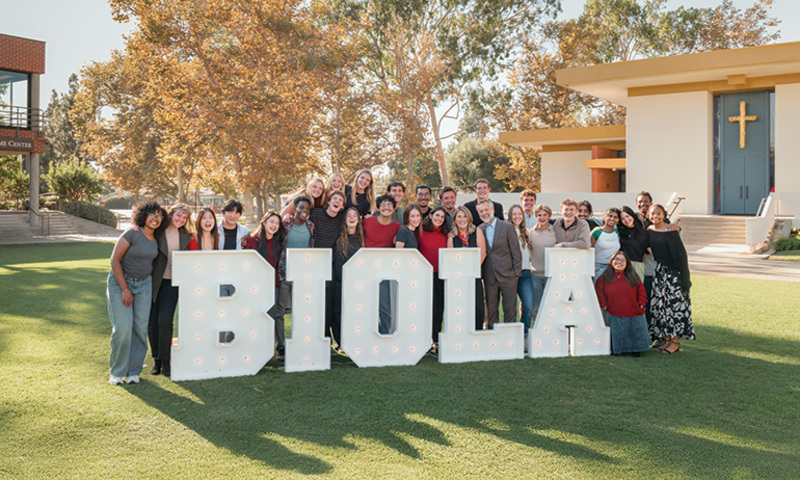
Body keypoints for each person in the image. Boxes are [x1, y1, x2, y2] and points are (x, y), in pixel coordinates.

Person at [106, 201, 165, 385]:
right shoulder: (132, 233)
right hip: (121, 283)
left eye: (159, 216)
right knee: (123, 328)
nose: (155, 219)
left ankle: (133, 371)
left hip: (144, 285)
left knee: (140, 329)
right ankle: (117, 372)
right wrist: (125, 289)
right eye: (152, 215)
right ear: (143, 216)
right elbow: (115, 261)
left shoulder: (158, 238)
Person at [148, 203, 196, 377]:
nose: (181, 220)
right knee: (152, 322)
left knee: (165, 320)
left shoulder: (186, 236)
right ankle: (157, 360)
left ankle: (166, 360)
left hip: (172, 282)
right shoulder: (157, 231)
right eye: (179, 215)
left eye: (185, 217)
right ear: (171, 214)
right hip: (153, 281)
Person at [647, 204, 694, 354]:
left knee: (674, 308)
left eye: (658, 213)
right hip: (660, 272)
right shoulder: (649, 230)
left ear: (664, 215)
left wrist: (686, 280)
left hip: (674, 274)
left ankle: (675, 342)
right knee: (661, 308)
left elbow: (682, 256)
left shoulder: (671, 232)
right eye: (652, 213)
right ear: (648, 215)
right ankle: (666, 340)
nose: (655, 216)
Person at [273, 196, 315, 360]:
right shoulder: (285, 224)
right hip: (284, 273)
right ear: (295, 209)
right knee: (280, 312)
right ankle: (281, 347)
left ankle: (302, 343)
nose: (304, 211)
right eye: (301, 208)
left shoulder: (310, 226)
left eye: (307, 209)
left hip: (302, 275)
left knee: (303, 310)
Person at [242, 211, 286, 358]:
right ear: (264, 222)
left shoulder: (278, 242)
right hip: (256, 286)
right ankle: (257, 347)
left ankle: (280, 347)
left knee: (275, 315)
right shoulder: (251, 241)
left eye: (277, 223)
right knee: (257, 316)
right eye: (271, 222)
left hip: (274, 283)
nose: (274, 225)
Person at [595, 251, 650, 357]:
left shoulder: (634, 277)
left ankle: (636, 349)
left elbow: (641, 291)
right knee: (617, 331)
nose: (619, 262)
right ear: (611, 261)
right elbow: (599, 292)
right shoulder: (603, 278)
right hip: (614, 310)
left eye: (622, 260)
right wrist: (604, 304)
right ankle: (617, 349)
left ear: (627, 263)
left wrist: (641, 303)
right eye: (616, 259)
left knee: (634, 330)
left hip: (633, 309)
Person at [477, 199, 522, 328]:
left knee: (509, 311)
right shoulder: (479, 229)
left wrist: (516, 273)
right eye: (481, 211)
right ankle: (493, 340)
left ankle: (510, 340)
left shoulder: (507, 227)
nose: (484, 213)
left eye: (486, 210)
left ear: (492, 210)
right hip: (489, 276)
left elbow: (516, 251)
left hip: (508, 276)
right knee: (491, 311)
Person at [363, 194, 401, 334]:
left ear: (394, 208)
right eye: (383, 205)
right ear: (378, 208)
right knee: (365, 306)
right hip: (366, 269)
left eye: (389, 205)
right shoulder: (366, 222)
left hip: (386, 271)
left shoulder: (398, 227)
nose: (386, 208)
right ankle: (366, 336)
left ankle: (384, 335)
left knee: (385, 307)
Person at [447, 206, 487, 330]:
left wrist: (472, 271)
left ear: (469, 218)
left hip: (474, 275)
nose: (462, 219)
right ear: (455, 219)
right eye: (459, 216)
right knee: (461, 307)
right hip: (459, 278)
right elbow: (450, 257)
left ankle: (478, 334)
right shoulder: (452, 236)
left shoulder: (477, 231)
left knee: (478, 308)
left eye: (464, 216)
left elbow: (483, 253)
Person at [331, 208, 364, 351]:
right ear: (344, 219)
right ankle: (341, 342)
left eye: (354, 215)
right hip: (339, 282)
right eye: (348, 215)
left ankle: (354, 340)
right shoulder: (338, 238)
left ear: (358, 219)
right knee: (338, 313)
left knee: (354, 313)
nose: (351, 218)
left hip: (356, 284)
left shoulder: (361, 239)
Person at [418, 207, 449, 350]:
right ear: (430, 216)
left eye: (442, 217)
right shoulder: (420, 231)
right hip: (424, 275)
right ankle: (423, 339)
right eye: (437, 215)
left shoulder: (446, 234)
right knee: (427, 308)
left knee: (439, 308)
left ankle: (435, 339)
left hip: (441, 275)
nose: (439, 219)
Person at [508, 204, 534, 336]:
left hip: (526, 273)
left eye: (519, 214)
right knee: (511, 308)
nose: (517, 216)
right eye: (514, 214)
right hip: (511, 274)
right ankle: (512, 335)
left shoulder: (527, 233)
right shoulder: (507, 231)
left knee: (528, 306)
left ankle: (524, 334)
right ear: (510, 216)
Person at [530, 204, 557, 323]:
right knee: (536, 307)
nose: (542, 217)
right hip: (535, 275)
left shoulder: (555, 232)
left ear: (549, 216)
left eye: (544, 215)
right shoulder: (530, 232)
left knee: (551, 307)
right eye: (539, 215)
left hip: (551, 275)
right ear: (536, 216)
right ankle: (536, 332)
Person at [618, 206, 649, 281]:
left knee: (637, 291)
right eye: (623, 218)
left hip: (638, 266)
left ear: (632, 215)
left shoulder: (643, 231)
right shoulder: (619, 231)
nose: (626, 220)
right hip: (622, 265)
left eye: (627, 216)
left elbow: (648, 248)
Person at [591, 208, 621, 280]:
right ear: (604, 217)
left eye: (615, 217)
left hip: (613, 267)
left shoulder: (617, 233)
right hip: (598, 267)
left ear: (618, 220)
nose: (612, 218)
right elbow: (589, 250)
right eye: (610, 216)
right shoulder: (596, 232)